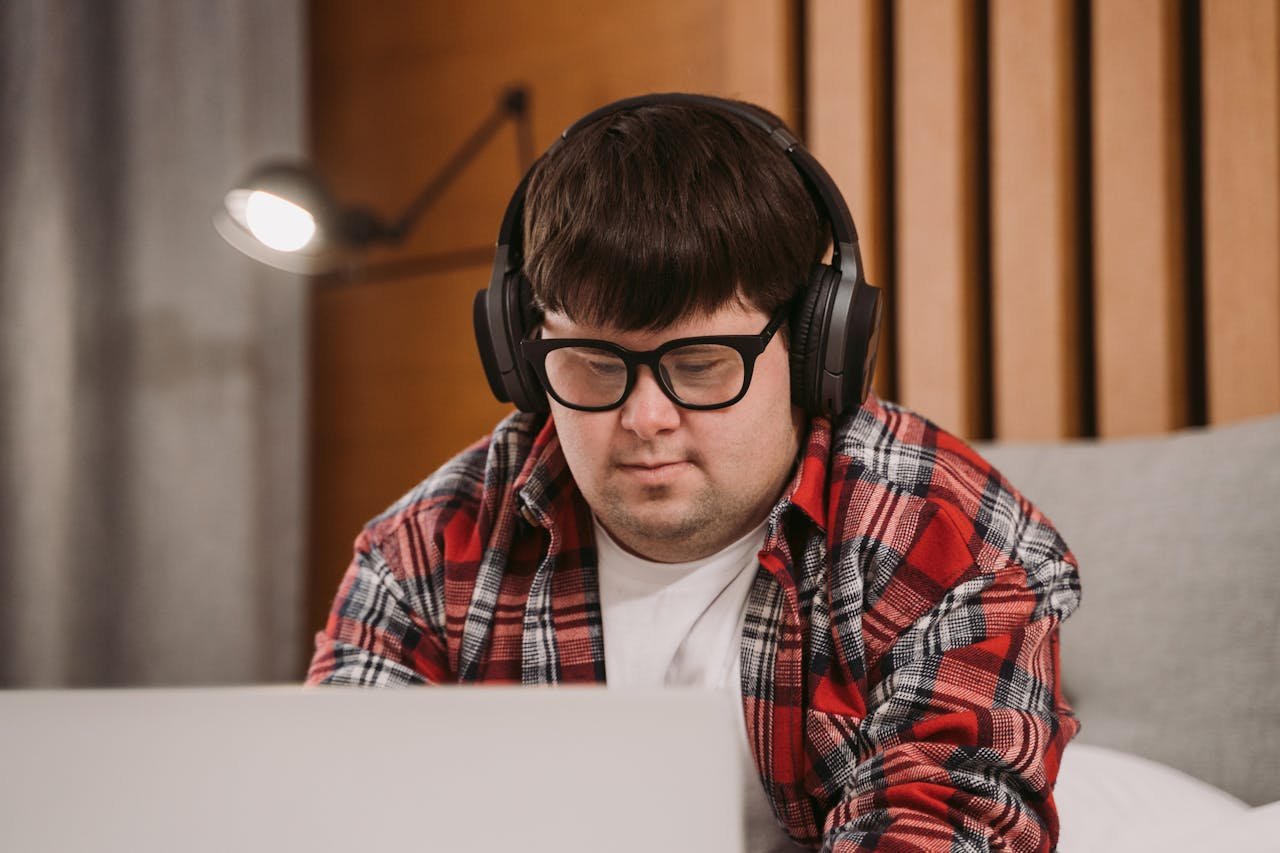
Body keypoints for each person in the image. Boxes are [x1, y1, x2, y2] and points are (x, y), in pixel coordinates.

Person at [307, 94, 1082, 853]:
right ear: (521, 351)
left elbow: (949, 819)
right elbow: (330, 815)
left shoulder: (951, 543)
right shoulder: (423, 554)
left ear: (816, 349)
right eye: (591, 364)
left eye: (701, 365)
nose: (645, 418)